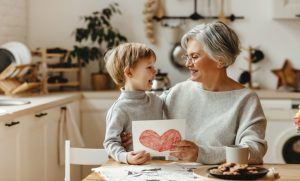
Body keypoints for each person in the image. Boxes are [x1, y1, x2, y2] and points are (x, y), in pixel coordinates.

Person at [121, 21, 267, 164]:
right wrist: (133, 136)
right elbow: (150, 124)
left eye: (195, 56)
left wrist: (201, 154)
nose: (187, 63)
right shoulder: (177, 92)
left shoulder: (246, 99)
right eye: (187, 56)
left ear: (220, 60)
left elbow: (254, 151)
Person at [103, 42, 163, 165]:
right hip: (133, 171)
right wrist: (126, 157)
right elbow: (110, 142)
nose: (155, 71)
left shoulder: (156, 101)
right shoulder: (119, 109)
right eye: (149, 67)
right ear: (129, 73)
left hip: (161, 167)